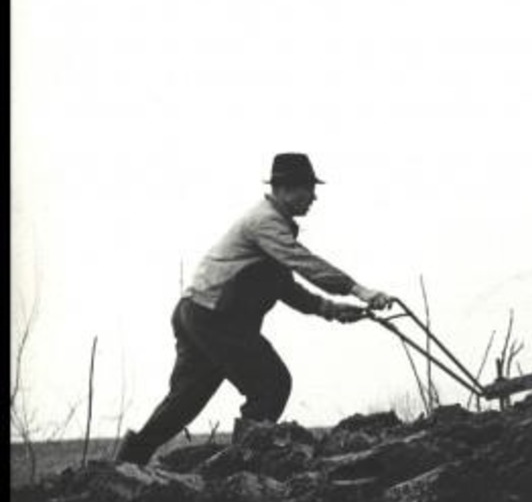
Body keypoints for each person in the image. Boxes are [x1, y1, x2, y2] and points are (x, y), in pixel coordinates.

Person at [114, 153, 397, 465]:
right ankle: (241, 466)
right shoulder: (265, 222)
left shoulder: (273, 227)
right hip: (214, 317)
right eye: (308, 188)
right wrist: (358, 290)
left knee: (185, 401)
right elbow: (302, 262)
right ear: (286, 188)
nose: (314, 197)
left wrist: (332, 310)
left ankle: (127, 464)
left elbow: (284, 286)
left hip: (196, 313)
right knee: (271, 384)